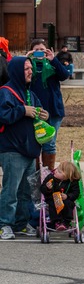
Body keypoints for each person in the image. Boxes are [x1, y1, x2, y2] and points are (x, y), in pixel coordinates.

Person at [0, 56, 49, 239]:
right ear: (16, 71)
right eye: (26, 68)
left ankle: (21, 223)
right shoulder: (6, 92)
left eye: (31, 68)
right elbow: (3, 115)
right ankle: (4, 224)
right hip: (12, 149)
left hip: (29, 149)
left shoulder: (29, 93)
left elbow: (36, 112)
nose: (31, 71)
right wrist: (23, 111)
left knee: (25, 192)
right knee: (11, 191)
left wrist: (43, 115)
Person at [27, 38, 70, 170]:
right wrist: (25, 59)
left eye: (42, 50)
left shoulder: (52, 65)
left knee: (49, 144)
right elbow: (16, 77)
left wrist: (54, 59)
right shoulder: (28, 67)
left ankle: (48, 177)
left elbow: (64, 75)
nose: (39, 52)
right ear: (31, 52)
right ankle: (35, 178)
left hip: (53, 110)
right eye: (36, 50)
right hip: (34, 111)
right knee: (34, 144)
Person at [40, 160, 81, 231]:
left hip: (65, 199)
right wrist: (47, 188)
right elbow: (42, 189)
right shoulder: (51, 177)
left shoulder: (72, 182)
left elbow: (76, 193)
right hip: (52, 198)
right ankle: (57, 221)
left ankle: (66, 222)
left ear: (66, 176)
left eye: (59, 171)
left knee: (68, 204)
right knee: (53, 204)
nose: (55, 171)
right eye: (57, 169)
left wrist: (68, 196)